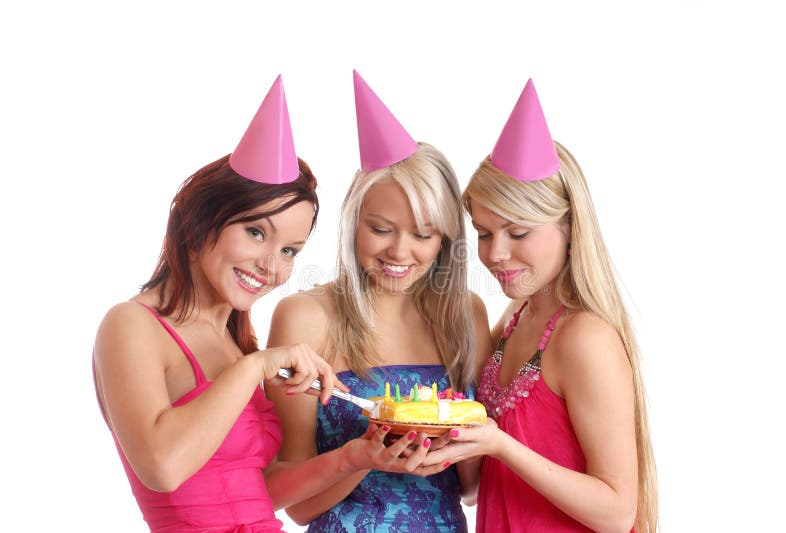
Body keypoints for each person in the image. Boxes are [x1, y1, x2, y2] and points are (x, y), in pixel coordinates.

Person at [94, 75, 365, 533]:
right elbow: (162, 467)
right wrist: (255, 366)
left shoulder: (234, 340)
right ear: (202, 221)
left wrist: (357, 457)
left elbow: (257, 494)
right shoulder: (132, 325)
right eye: (256, 232)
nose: (271, 265)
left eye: (290, 251)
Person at [423, 80, 658, 532]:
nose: (494, 254)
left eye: (518, 232)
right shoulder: (514, 320)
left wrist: (500, 446)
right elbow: (474, 476)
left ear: (569, 226)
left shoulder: (584, 338)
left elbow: (616, 513)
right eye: (485, 233)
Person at [264, 71, 492, 532]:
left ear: (445, 238)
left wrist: (458, 444)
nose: (398, 253)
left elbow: (471, 491)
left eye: (423, 235)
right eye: (381, 229)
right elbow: (291, 503)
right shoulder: (306, 317)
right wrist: (360, 458)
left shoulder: (466, 315)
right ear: (353, 222)